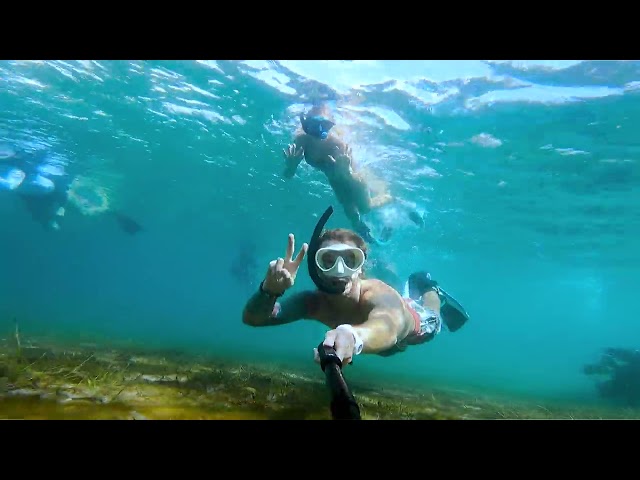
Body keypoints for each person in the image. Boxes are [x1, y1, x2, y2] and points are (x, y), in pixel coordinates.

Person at [242, 206, 469, 365]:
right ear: (316, 266)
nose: (339, 271)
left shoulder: (378, 293)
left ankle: (427, 286)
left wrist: (352, 336)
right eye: (328, 261)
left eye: (350, 261)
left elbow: (389, 327)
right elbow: (254, 319)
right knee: (388, 350)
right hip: (381, 347)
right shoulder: (311, 303)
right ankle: (415, 286)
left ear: (361, 267)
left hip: (416, 326)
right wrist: (269, 291)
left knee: (433, 318)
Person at [282, 103, 423, 245]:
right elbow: (288, 175)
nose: (319, 131)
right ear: (304, 123)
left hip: (352, 176)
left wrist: (347, 171)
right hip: (334, 179)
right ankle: (363, 230)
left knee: (365, 207)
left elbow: (355, 177)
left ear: (332, 126)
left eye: (325, 126)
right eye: (313, 125)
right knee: (351, 212)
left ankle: (392, 199)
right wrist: (291, 165)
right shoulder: (300, 141)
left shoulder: (337, 144)